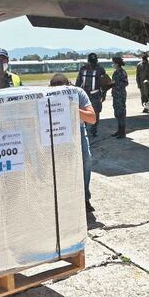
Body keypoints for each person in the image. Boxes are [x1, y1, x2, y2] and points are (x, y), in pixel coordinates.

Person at [49, 73, 96, 213]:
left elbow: (92, 118)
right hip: (56, 130)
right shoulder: (47, 95)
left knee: (86, 160)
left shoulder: (78, 93)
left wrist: (71, 106)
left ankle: (85, 197)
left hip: (77, 129)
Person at [75, 53, 106, 137]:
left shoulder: (100, 69)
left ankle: (93, 129)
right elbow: (78, 83)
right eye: (91, 61)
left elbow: (104, 84)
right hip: (85, 95)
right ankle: (84, 128)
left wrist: (103, 94)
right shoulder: (83, 69)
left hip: (95, 94)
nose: (92, 63)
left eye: (94, 61)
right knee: (85, 113)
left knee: (96, 112)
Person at [110, 56, 129, 138]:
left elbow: (125, 83)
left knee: (121, 113)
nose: (112, 64)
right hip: (116, 95)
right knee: (117, 113)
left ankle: (122, 132)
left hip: (120, 95)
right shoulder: (116, 72)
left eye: (113, 63)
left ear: (117, 64)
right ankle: (119, 130)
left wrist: (115, 84)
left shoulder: (122, 72)